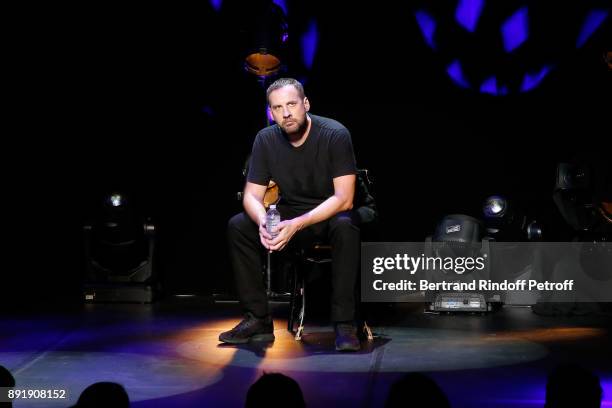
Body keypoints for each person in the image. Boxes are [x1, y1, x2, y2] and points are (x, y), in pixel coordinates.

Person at [220, 77, 362, 351]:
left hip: (331, 211)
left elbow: (344, 199)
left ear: (305, 104)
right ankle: (258, 319)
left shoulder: (335, 134)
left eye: (292, 104)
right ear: (270, 113)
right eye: (277, 108)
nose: (285, 113)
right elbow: (251, 195)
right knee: (239, 225)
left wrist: (296, 224)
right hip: (294, 210)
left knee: (346, 225)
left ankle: (345, 324)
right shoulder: (266, 139)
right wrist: (265, 223)